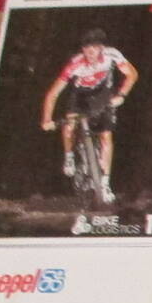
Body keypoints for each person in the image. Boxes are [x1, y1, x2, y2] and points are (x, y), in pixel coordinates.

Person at [39, 28, 137, 205]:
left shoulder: (112, 55)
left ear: (101, 48)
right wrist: (47, 119)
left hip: (102, 94)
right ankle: (69, 155)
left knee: (106, 136)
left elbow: (132, 74)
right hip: (80, 95)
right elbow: (53, 94)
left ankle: (105, 184)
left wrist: (121, 95)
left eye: (94, 47)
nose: (90, 52)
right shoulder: (75, 64)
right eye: (86, 48)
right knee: (69, 125)